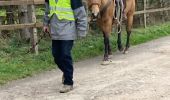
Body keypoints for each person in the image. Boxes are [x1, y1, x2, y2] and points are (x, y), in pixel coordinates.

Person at [43, 0, 87, 93]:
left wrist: (82, 30)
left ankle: (68, 82)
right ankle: (66, 72)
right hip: (55, 31)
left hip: (68, 30)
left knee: (65, 55)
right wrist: (45, 24)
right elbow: (47, 11)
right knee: (56, 56)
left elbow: (81, 14)